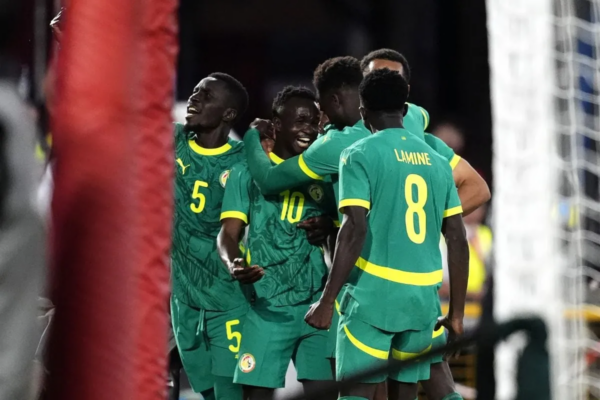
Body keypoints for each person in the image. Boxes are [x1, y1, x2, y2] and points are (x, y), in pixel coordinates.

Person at [304, 68, 469, 400]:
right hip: (422, 298)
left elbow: (354, 228)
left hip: (373, 295)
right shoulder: (438, 162)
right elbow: (457, 237)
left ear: (363, 111)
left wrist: (327, 300)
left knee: (356, 393)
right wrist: (456, 315)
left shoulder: (358, 154)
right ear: (404, 109)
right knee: (406, 392)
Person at [217, 86, 337, 400]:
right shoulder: (246, 174)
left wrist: (330, 225)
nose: (309, 129)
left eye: (314, 122)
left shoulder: (325, 176)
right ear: (277, 125)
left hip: (317, 307)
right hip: (267, 308)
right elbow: (228, 234)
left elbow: (350, 230)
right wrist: (234, 263)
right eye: (300, 121)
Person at [170, 72, 251, 400]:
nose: (194, 98)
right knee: (206, 392)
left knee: (230, 393)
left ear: (228, 114)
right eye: (195, 91)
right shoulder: (172, 140)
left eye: (206, 95)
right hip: (183, 299)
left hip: (227, 298)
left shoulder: (244, 160)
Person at [360, 49, 490, 216]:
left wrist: (431, 221)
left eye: (394, 81)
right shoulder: (342, 133)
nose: (385, 87)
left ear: (406, 90)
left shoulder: (420, 137)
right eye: (375, 78)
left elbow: (477, 188)